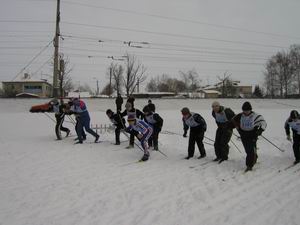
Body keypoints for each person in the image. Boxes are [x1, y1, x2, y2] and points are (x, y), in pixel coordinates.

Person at [232, 101, 267, 172]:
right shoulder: (240, 115)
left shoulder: (255, 115)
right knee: (247, 150)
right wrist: (237, 127)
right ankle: (255, 157)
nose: (246, 112)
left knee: (250, 151)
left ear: (250, 110)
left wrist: (260, 130)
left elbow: (263, 123)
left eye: (247, 110)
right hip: (243, 134)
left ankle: (249, 165)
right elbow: (233, 120)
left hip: (252, 134)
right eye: (244, 110)